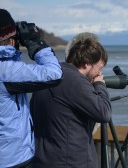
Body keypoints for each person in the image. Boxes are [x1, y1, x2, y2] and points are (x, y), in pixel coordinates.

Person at [30, 32, 112, 168]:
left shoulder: (49, 74)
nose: (99, 74)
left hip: (43, 159)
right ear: (86, 64)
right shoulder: (75, 82)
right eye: (99, 68)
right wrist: (99, 85)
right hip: (71, 161)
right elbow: (104, 113)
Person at [0, 9, 62, 168]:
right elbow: (53, 74)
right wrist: (35, 42)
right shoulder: (6, 71)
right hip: (10, 159)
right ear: (11, 38)